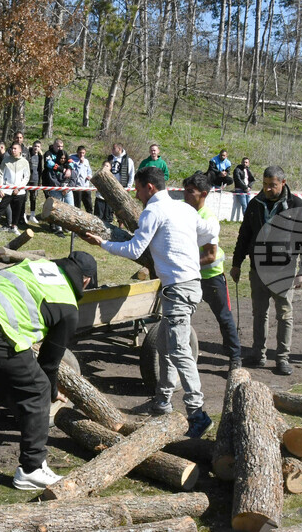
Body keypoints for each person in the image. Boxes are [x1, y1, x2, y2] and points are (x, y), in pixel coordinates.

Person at [0, 251, 98, 491]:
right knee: (37, 389)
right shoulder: (67, 304)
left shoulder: (36, 266)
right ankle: (32, 469)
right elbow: (48, 363)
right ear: (86, 280)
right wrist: (52, 391)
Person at [83, 167, 219, 439]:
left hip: (178, 288)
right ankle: (162, 401)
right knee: (166, 344)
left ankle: (197, 413)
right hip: (190, 285)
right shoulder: (185, 209)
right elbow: (210, 229)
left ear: (149, 188)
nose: (136, 194)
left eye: (137, 188)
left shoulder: (153, 211)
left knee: (179, 350)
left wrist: (103, 243)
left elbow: (135, 249)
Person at [229, 166, 302, 376]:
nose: (268, 189)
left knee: (284, 315)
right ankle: (259, 355)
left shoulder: (297, 205)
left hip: (284, 271)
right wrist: (237, 263)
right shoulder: (255, 204)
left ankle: (282, 358)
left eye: (272, 185)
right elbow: (244, 235)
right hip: (257, 269)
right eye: (265, 184)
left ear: (283, 183)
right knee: (259, 313)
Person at [182, 172, 242, 369]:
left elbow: (210, 256)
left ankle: (235, 358)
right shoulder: (185, 212)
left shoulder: (208, 219)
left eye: (191, 192)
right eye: (185, 191)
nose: (186, 195)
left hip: (211, 277)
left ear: (204, 194)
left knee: (224, 317)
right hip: (191, 277)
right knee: (182, 317)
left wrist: (184, 264)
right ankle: (181, 353)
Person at [0, 142, 30, 235]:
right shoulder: (5, 160)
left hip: (20, 191)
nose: (13, 150)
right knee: (1, 208)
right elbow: (0, 175)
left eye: (15, 148)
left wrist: (18, 188)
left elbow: (26, 177)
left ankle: (14, 227)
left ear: (20, 150)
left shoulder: (25, 162)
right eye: (12, 148)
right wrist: (1, 189)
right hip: (7, 189)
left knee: (17, 210)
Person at [96, 144, 133, 224]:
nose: (112, 150)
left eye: (114, 148)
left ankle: (120, 227)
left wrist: (129, 187)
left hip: (121, 188)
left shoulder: (128, 160)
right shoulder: (110, 158)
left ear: (119, 149)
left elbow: (131, 174)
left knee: (121, 210)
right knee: (109, 210)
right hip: (109, 187)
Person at [231, 157, 255, 222]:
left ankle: (250, 220)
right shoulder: (237, 170)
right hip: (240, 189)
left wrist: (249, 187)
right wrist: (245, 188)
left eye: (246, 162)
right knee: (244, 205)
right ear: (241, 162)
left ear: (248, 163)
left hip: (247, 190)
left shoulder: (248, 170)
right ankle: (247, 221)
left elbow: (252, 180)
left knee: (249, 205)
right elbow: (238, 180)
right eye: (243, 162)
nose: (245, 163)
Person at [25, 140, 44, 225]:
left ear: (40, 148)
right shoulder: (28, 154)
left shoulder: (40, 157)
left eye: (38, 146)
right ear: (32, 146)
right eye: (35, 146)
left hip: (35, 179)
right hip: (27, 179)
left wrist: (40, 181)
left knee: (33, 197)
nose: (36, 148)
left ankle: (32, 215)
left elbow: (40, 169)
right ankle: (23, 214)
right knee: (24, 197)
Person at [71, 146, 93, 213]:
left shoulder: (86, 161)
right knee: (77, 204)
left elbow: (89, 171)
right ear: (77, 152)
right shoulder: (72, 160)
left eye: (83, 153)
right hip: (77, 186)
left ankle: (90, 217)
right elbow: (75, 172)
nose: (82, 155)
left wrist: (89, 176)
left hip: (85, 185)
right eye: (80, 153)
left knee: (88, 203)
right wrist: (80, 163)